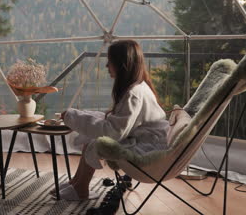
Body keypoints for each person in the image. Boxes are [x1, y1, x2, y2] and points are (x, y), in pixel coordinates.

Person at [58, 40, 169, 200]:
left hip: (146, 147)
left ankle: (81, 188)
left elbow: (113, 132)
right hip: (142, 138)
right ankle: (76, 182)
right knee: (91, 136)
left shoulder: (133, 94)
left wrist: (74, 117)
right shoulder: (137, 87)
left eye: (110, 61)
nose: (106, 65)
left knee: (97, 142)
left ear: (122, 64)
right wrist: (78, 115)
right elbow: (116, 121)